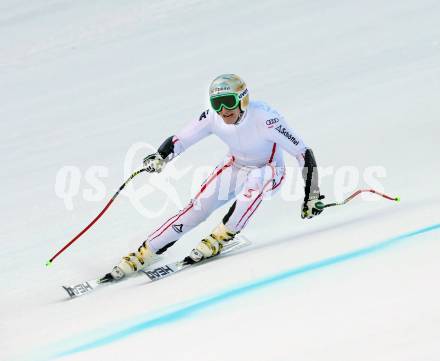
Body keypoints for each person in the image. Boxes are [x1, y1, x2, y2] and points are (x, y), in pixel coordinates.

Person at [103, 74, 324, 282]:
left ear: (242, 100)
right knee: (198, 207)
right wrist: (161, 156)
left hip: (270, 170)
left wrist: (311, 195)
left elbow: (302, 153)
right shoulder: (213, 118)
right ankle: (146, 251)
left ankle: (223, 234)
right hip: (236, 166)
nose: (223, 110)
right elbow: (181, 139)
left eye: (228, 102)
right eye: (217, 104)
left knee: (257, 180)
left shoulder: (267, 119)